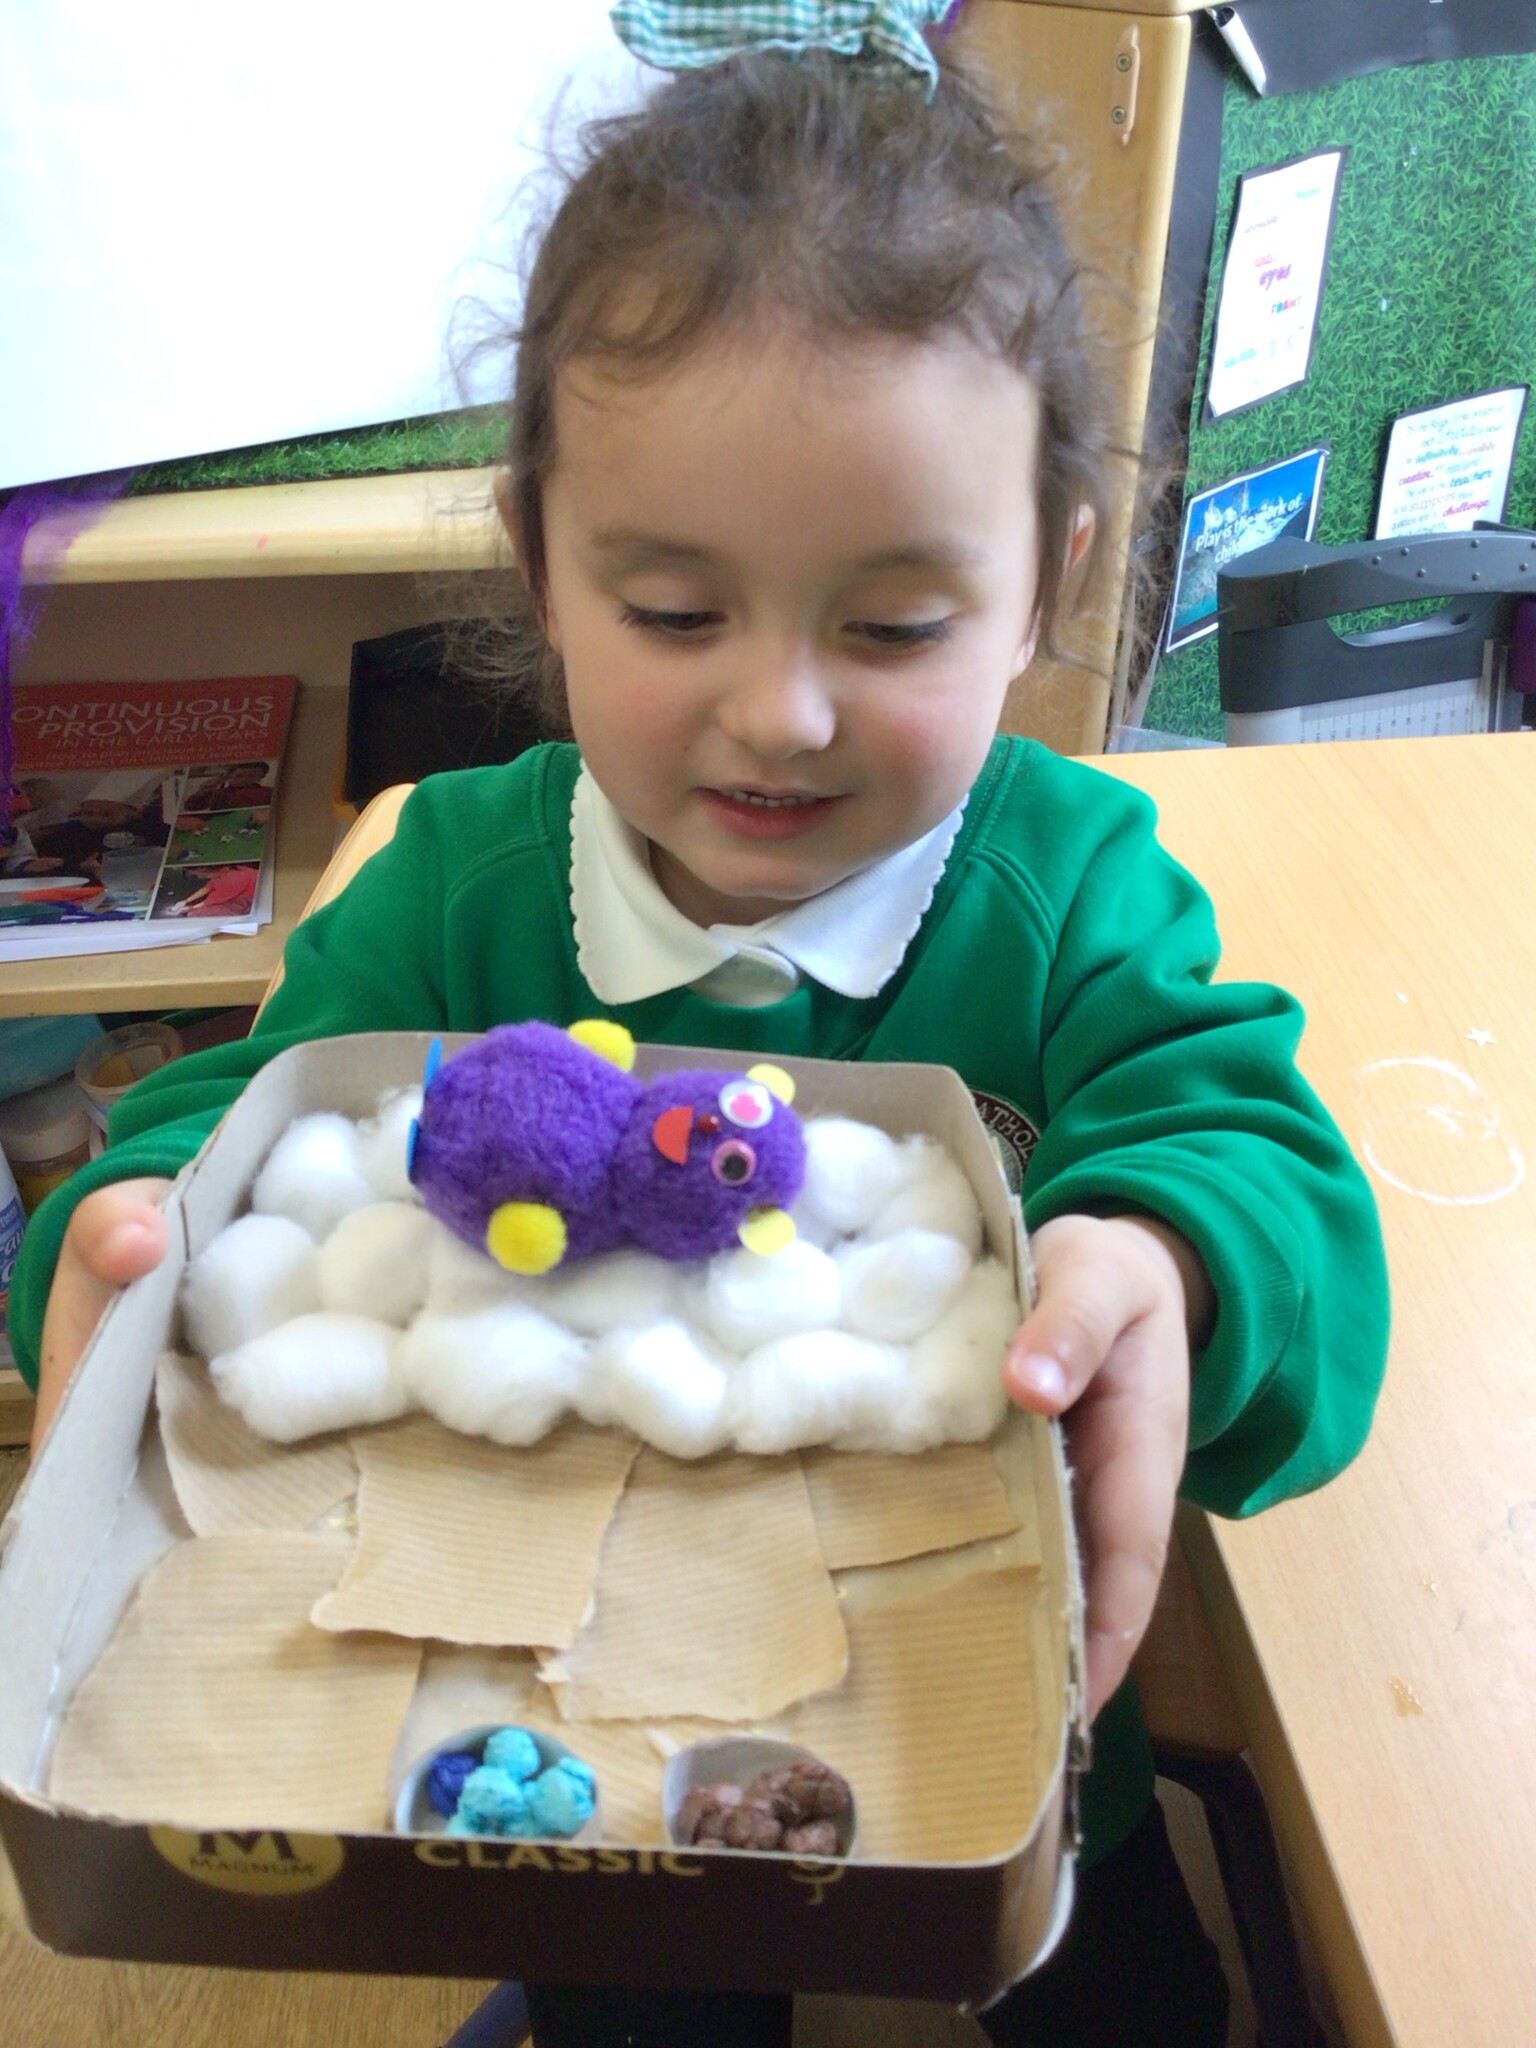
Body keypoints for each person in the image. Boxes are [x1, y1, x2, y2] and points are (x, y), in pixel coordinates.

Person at [9, 7, 1389, 2044]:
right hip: (568, 1702)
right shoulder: (458, 888)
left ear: (1047, 584)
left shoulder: (1077, 886)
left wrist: (1166, 1252)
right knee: (634, 1998)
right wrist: (118, 1224)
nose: (783, 711)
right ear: (541, 568)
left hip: (978, 1678)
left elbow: (1279, 1190)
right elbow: (218, 1135)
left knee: (1106, 1995)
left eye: (894, 623)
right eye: (673, 612)